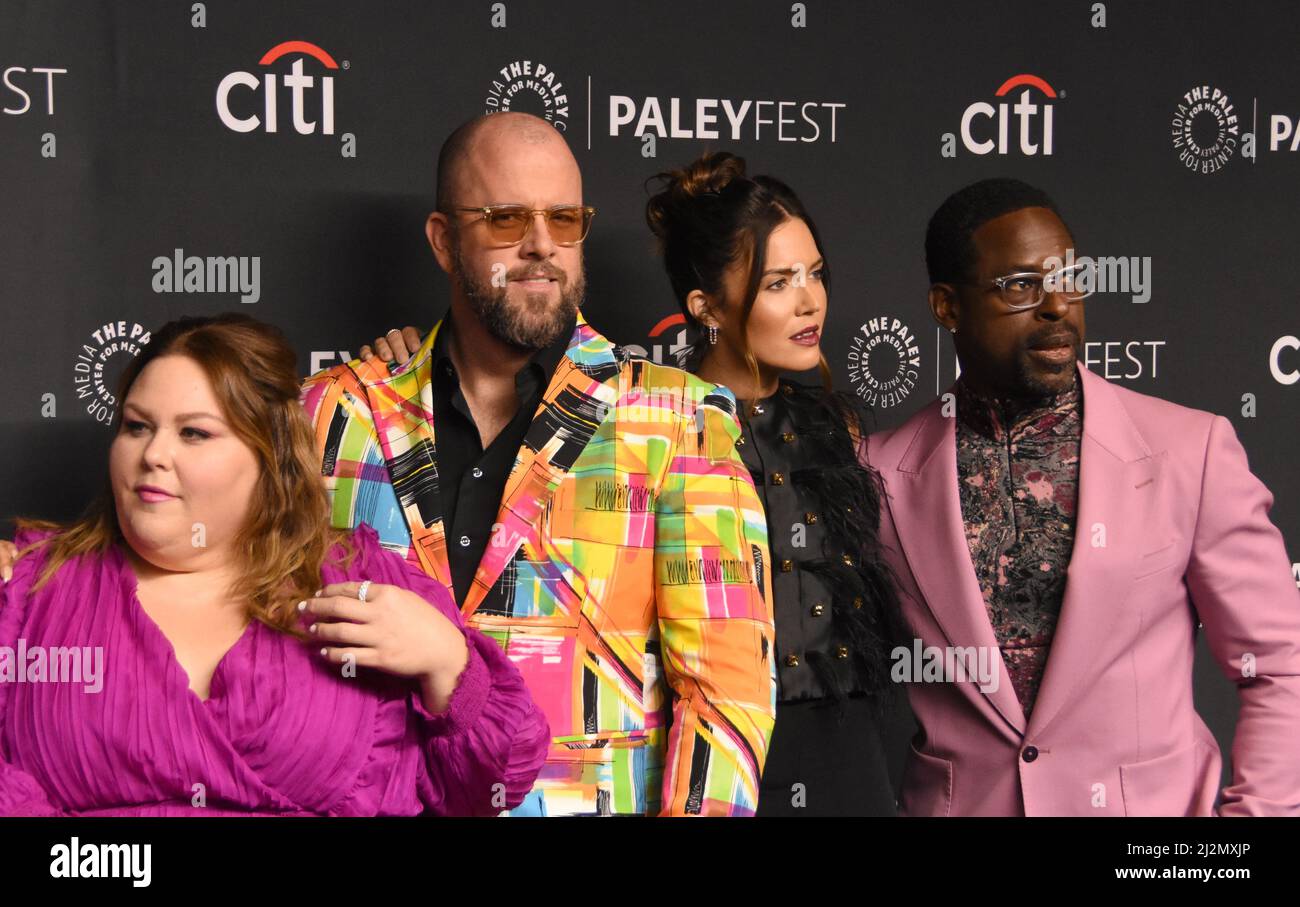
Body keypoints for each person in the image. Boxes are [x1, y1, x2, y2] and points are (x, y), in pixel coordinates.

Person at [306, 112, 776, 816]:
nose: (541, 246)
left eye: (564, 219)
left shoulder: (680, 420)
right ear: (442, 240)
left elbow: (727, 695)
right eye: (505, 219)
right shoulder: (335, 413)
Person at [866, 177, 1300, 816]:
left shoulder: (1189, 452)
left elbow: (1278, 666)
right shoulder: (878, 471)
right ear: (946, 306)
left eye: (1069, 278)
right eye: (1019, 285)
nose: (1055, 307)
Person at [0, 313, 549, 816]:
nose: (153, 454)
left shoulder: (362, 583)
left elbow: (492, 783)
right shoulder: (27, 592)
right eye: (137, 426)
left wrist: (448, 662)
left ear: (270, 457)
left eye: (194, 432)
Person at [641, 151, 911, 816]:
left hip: (852, 749)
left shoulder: (834, 424)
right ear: (706, 305)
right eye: (778, 282)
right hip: (721, 750)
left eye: (814, 274)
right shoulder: (651, 422)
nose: (809, 300)